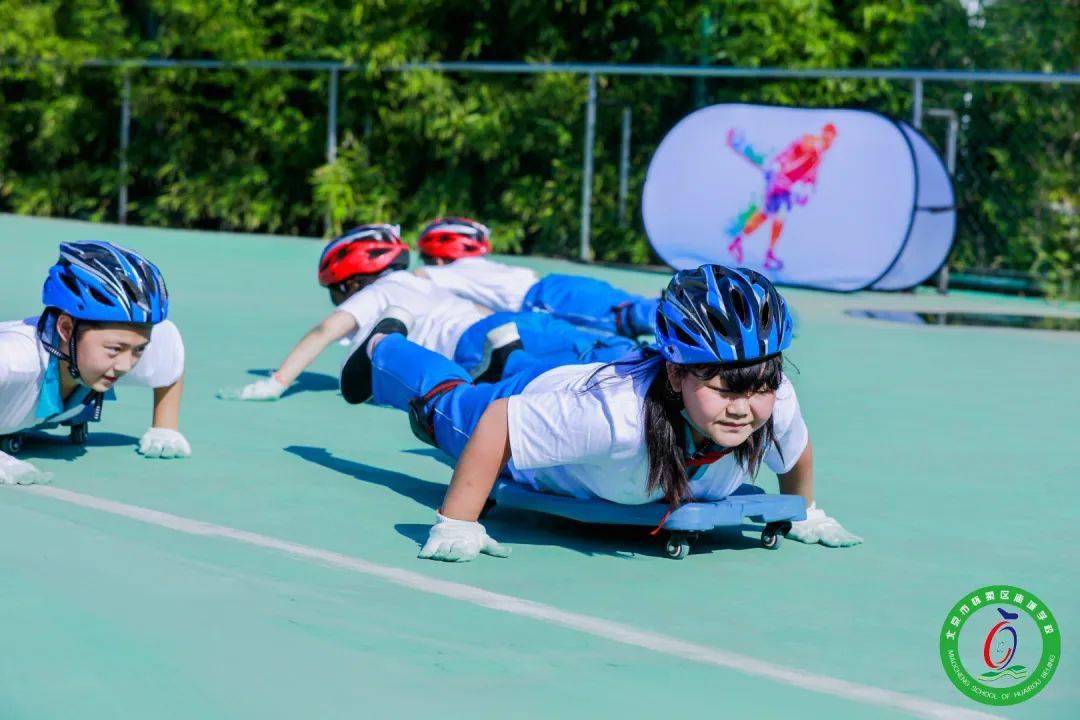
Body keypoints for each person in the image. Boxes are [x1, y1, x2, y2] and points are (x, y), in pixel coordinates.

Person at [339, 263, 862, 562]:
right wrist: (457, 522)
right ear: (677, 375)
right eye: (724, 388)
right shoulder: (615, 421)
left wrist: (804, 512)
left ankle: (510, 350)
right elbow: (499, 421)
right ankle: (384, 347)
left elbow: (795, 453)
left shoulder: (772, 395)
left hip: (583, 391)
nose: (744, 408)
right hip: (538, 408)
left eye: (760, 388)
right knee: (446, 407)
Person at [219, 224, 636, 402]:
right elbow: (479, 306)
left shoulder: (380, 291)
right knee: (603, 350)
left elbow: (324, 331)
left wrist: (276, 382)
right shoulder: (427, 279)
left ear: (349, 284)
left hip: (469, 346)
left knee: (553, 380)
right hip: (510, 322)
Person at [0, 241, 189, 485]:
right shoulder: (13, 360)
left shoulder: (123, 347)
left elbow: (169, 354)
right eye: (114, 349)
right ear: (66, 329)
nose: (125, 365)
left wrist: (165, 427)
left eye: (139, 350)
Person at [415, 217, 658, 337]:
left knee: (624, 317)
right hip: (555, 286)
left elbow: (418, 278)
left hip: (542, 300)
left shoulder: (448, 274)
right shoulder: (484, 265)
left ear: (437, 258)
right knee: (629, 308)